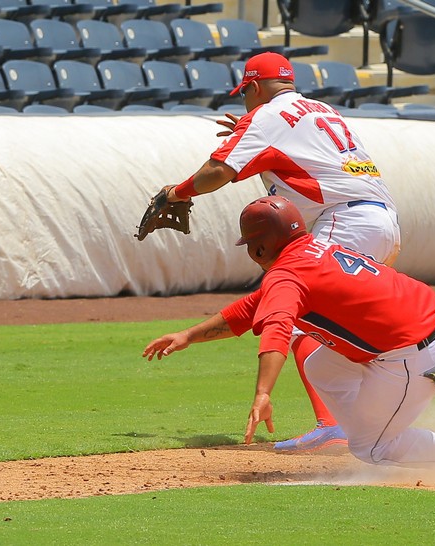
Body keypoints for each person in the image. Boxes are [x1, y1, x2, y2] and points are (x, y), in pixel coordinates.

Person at [143, 196, 435, 473]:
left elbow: (276, 330)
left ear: (257, 248)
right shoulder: (314, 248)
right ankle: (381, 425)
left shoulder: (286, 274)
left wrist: (263, 393)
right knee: (322, 367)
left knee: (371, 449)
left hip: (410, 354)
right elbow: (254, 307)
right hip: (422, 324)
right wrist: (189, 335)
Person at [155, 52, 401, 451]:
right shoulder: (319, 108)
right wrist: (250, 134)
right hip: (384, 221)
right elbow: (302, 157)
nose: (245, 102)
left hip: (345, 221)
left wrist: (174, 193)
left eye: (244, 94)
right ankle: (377, 416)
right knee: (342, 325)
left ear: (252, 87)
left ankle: (335, 424)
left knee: (298, 312)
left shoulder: (265, 117)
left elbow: (217, 172)